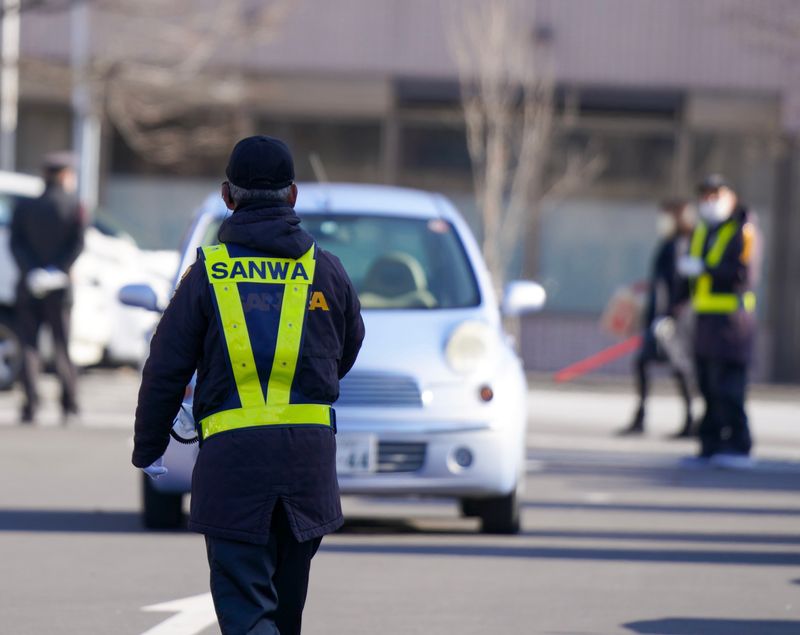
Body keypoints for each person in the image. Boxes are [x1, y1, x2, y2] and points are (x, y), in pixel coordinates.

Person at [132, 135, 365, 635]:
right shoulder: (326, 271)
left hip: (233, 469)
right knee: (285, 613)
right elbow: (346, 353)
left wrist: (148, 448)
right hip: (308, 468)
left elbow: (165, 369)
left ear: (227, 196)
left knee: (246, 613)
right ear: (294, 196)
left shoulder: (208, 274)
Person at [677, 175, 758, 468]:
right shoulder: (703, 230)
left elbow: (743, 275)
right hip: (705, 323)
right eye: (705, 195)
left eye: (716, 194)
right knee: (708, 387)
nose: (710, 201)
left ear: (730, 196)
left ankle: (738, 444)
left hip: (733, 323)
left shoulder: (743, 230)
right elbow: (688, 279)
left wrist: (705, 269)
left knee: (729, 388)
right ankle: (710, 444)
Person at [10, 152, 85, 424]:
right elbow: (78, 244)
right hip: (60, 287)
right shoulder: (74, 205)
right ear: (65, 176)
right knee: (62, 345)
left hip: (28, 285)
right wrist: (58, 270)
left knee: (29, 346)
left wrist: (32, 271)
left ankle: (30, 405)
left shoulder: (25, 205)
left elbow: (15, 243)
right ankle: (69, 404)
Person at [618, 199, 695, 438]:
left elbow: (675, 286)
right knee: (647, 364)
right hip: (663, 317)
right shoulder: (670, 244)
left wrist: (667, 316)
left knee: (678, 367)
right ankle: (646, 416)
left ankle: (689, 419)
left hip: (670, 320)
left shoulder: (679, 245)